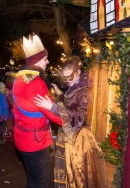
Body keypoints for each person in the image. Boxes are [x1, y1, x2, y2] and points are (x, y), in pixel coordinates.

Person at [34, 56, 106, 188]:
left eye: (69, 78)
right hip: (67, 136)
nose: (67, 82)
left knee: (75, 175)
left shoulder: (85, 90)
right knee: (66, 173)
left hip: (76, 140)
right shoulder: (75, 85)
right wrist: (60, 94)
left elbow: (77, 117)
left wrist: (52, 107)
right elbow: (70, 104)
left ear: (78, 72)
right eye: (64, 79)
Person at [12, 34, 62, 188]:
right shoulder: (35, 82)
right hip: (35, 142)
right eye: (45, 58)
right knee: (42, 183)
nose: (47, 61)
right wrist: (74, 119)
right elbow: (53, 114)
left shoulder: (21, 77)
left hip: (24, 138)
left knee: (33, 180)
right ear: (37, 61)